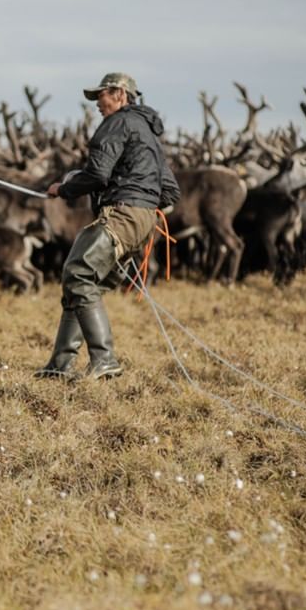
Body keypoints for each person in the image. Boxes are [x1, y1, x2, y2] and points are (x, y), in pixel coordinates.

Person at [36, 73, 180, 380]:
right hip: (143, 222)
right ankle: (59, 367)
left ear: (119, 94)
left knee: (78, 275)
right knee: (83, 286)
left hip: (121, 215)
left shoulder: (115, 124)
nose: (97, 105)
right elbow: (170, 192)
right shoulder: (148, 133)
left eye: (100, 96)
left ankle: (105, 360)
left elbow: (97, 175)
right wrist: (142, 207)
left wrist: (63, 189)